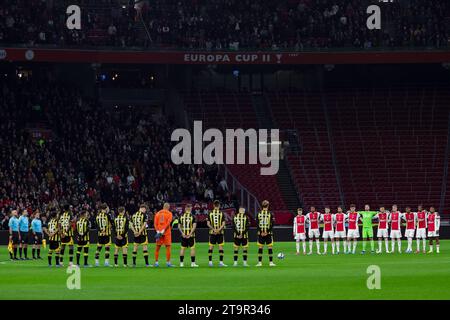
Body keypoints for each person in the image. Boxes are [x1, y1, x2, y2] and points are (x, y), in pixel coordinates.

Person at [207, 200, 227, 267]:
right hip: (220, 233)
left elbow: (208, 224)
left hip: (212, 233)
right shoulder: (222, 213)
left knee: (211, 247)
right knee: (220, 247)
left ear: (213, 205)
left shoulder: (210, 213)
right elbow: (223, 223)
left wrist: (213, 230)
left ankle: (210, 262)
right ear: (219, 205)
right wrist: (218, 230)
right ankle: (221, 262)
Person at [256, 200, 276, 267]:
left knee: (260, 248)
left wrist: (261, 232)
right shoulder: (270, 213)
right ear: (268, 205)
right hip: (268, 233)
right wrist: (267, 232)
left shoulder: (258, 213)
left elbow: (257, 224)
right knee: (269, 248)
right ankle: (271, 262)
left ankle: (259, 262)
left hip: (260, 234)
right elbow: (272, 224)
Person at [154, 203, 174, 267]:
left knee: (157, 247)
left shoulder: (157, 213)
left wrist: (158, 231)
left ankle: (156, 262)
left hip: (159, 232)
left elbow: (155, 223)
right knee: (168, 247)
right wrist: (163, 230)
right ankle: (168, 262)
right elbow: (168, 223)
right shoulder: (169, 213)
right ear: (168, 207)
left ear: (163, 207)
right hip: (166, 232)